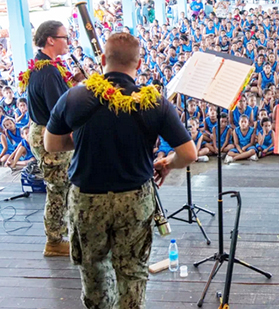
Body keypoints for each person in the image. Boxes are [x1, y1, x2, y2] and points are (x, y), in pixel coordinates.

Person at [44, 32, 197, 309]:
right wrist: (166, 164)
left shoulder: (74, 97)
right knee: (133, 273)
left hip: (87, 199)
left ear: (102, 59)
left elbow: (51, 143)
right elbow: (188, 154)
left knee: (93, 272)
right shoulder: (154, 102)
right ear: (138, 65)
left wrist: (79, 140)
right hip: (134, 200)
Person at [25, 21, 74, 257]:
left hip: (44, 131)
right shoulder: (48, 72)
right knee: (58, 188)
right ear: (50, 40)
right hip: (50, 137)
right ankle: (54, 240)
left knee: (64, 185)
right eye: (65, 37)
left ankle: (63, 233)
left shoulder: (44, 67)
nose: (69, 41)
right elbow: (60, 111)